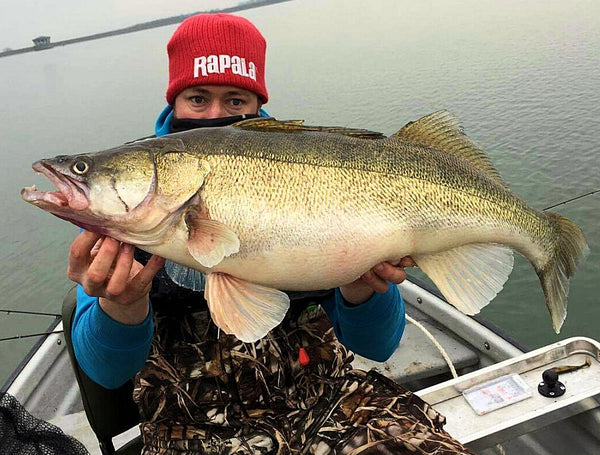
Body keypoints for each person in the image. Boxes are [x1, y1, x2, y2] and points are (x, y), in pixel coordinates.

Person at [68, 13, 473, 455]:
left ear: (257, 104)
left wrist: (360, 287)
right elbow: (107, 374)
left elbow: (377, 345)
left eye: (236, 100)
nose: (215, 116)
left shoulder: (313, 166)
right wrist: (120, 304)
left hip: (326, 401)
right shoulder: (126, 210)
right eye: (198, 98)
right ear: (174, 101)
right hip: (189, 425)